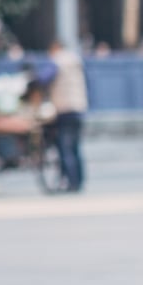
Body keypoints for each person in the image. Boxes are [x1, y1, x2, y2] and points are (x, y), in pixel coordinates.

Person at [44, 39, 88, 191]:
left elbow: (44, 78)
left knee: (65, 147)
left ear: (55, 48)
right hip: (79, 107)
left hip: (65, 109)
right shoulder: (76, 60)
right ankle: (79, 180)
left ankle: (71, 183)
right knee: (75, 147)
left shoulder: (58, 60)